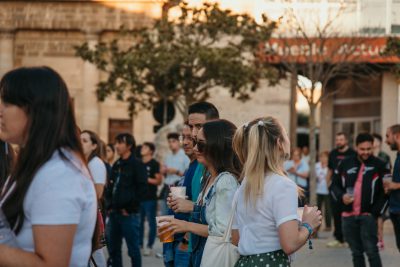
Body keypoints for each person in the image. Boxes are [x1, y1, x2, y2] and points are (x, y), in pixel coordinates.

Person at [0, 66, 97, 266]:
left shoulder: (59, 174)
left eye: (7, 102)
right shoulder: (35, 164)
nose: (0, 110)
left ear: (35, 109)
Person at [231, 117, 322, 267]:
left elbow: (236, 238)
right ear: (279, 143)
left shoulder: (244, 186)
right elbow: (289, 244)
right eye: (285, 133)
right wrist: (308, 225)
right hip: (271, 262)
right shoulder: (283, 185)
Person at [160, 119, 241, 267]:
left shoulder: (226, 181)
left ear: (217, 146)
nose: (195, 148)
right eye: (196, 142)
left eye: (201, 144)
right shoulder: (209, 177)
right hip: (201, 254)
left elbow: (223, 232)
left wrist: (185, 225)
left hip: (215, 257)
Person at [331, 133, 388, 267]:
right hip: (348, 217)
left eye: (369, 149)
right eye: (362, 149)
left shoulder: (381, 164)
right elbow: (334, 185)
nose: (366, 152)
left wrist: (375, 213)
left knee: (372, 251)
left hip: (368, 216)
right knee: (356, 253)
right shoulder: (345, 163)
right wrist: (342, 197)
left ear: (373, 147)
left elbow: (386, 193)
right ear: (356, 147)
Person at [104, 133, 148, 267]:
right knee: (113, 250)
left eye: (120, 143)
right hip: (114, 214)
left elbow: (142, 189)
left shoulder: (137, 164)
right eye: (116, 143)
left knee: (133, 250)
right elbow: (110, 187)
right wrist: (109, 206)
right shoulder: (117, 164)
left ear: (129, 145)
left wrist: (129, 208)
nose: (117, 146)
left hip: (129, 215)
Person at [163, 124, 198, 267]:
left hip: (183, 239)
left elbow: (199, 207)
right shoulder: (191, 166)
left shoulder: (199, 167)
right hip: (171, 233)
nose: (185, 142)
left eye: (190, 138)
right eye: (183, 137)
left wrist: (186, 239)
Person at [80, 130, 108, 267]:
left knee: (96, 254)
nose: (80, 143)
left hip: (91, 214)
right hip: (84, 214)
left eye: (85, 141)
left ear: (94, 146)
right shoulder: (82, 162)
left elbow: (98, 193)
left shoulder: (96, 163)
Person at [326, 132, 357, 248]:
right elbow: (330, 170)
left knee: (350, 214)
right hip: (336, 188)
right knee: (336, 213)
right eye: (337, 139)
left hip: (350, 189)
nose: (339, 141)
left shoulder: (353, 153)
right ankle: (339, 239)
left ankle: (351, 238)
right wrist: (327, 184)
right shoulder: (333, 153)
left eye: (341, 139)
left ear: (346, 141)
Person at [139, 142, 162, 256]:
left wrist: (145, 179)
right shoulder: (138, 163)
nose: (142, 148)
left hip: (150, 198)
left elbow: (159, 181)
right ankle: (140, 245)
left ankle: (149, 245)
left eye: (145, 147)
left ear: (151, 151)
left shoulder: (154, 164)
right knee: (138, 222)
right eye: (142, 147)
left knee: (151, 223)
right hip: (138, 198)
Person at [160, 133, 190, 215]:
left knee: (175, 213)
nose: (170, 144)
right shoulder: (168, 156)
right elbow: (165, 173)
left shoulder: (185, 155)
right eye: (169, 142)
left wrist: (176, 172)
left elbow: (188, 175)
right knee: (164, 213)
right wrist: (163, 171)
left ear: (178, 142)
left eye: (173, 141)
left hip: (178, 187)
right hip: (167, 186)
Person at [372, 133, 391, 250]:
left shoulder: (384, 156)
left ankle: (380, 240)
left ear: (379, 143)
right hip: (371, 192)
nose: (373, 143)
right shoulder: (368, 155)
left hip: (382, 192)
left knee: (380, 218)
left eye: (374, 141)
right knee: (373, 218)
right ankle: (373, 239)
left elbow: (389, 171)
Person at [385, 124, 400, 253]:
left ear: (397, 136)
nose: (386, 140)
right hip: (395, 209)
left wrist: (396, 185)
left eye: (387, 136)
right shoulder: (398, 156)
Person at [316, 151, 332, 232]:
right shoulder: (317, 165)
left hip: (327, 191)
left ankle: (328, 226)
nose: (323, 159)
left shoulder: (330, 166)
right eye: (321, 157)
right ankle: (317, 225)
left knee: (328, 209)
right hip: (317, 190)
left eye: (325, 157)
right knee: (318, 209)